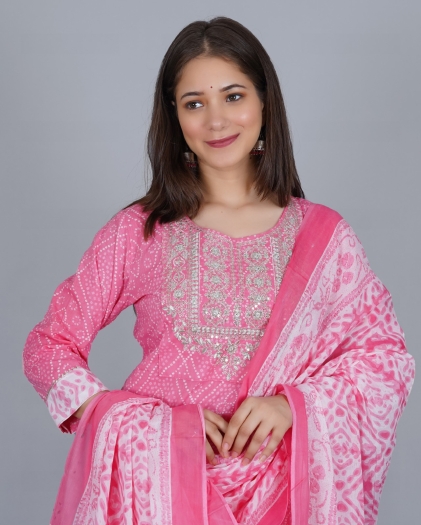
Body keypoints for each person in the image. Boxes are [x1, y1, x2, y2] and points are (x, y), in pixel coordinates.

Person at [23, 17, 414, 525]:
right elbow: (48, 346)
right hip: (162, 493)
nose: (216, 121)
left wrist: (292, 406)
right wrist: (139, 423)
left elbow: (385, 361)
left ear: (264, 102)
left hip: (285, 495)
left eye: (233, 96)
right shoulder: (141, 230)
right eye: (194, 103)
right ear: (175, 116)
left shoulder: (324, 237)